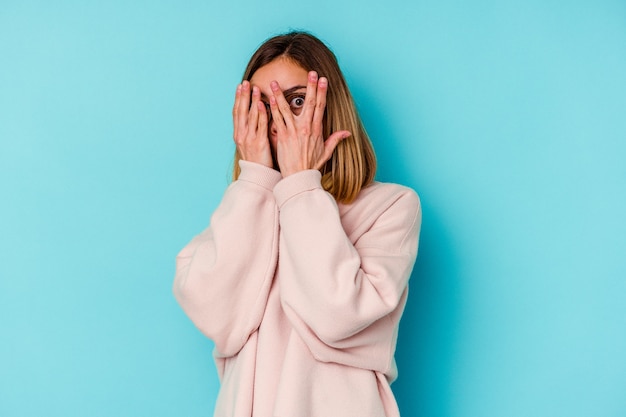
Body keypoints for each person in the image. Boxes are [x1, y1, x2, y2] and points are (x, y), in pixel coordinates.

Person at [173, 31, 422, 417]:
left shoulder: (391, 207)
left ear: (330, 106)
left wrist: (301, 186)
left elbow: (336, 316)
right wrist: (256, 179)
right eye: (263, 106)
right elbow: (217, 316)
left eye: (297, 101)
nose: (278, 121)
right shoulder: (241, 215)